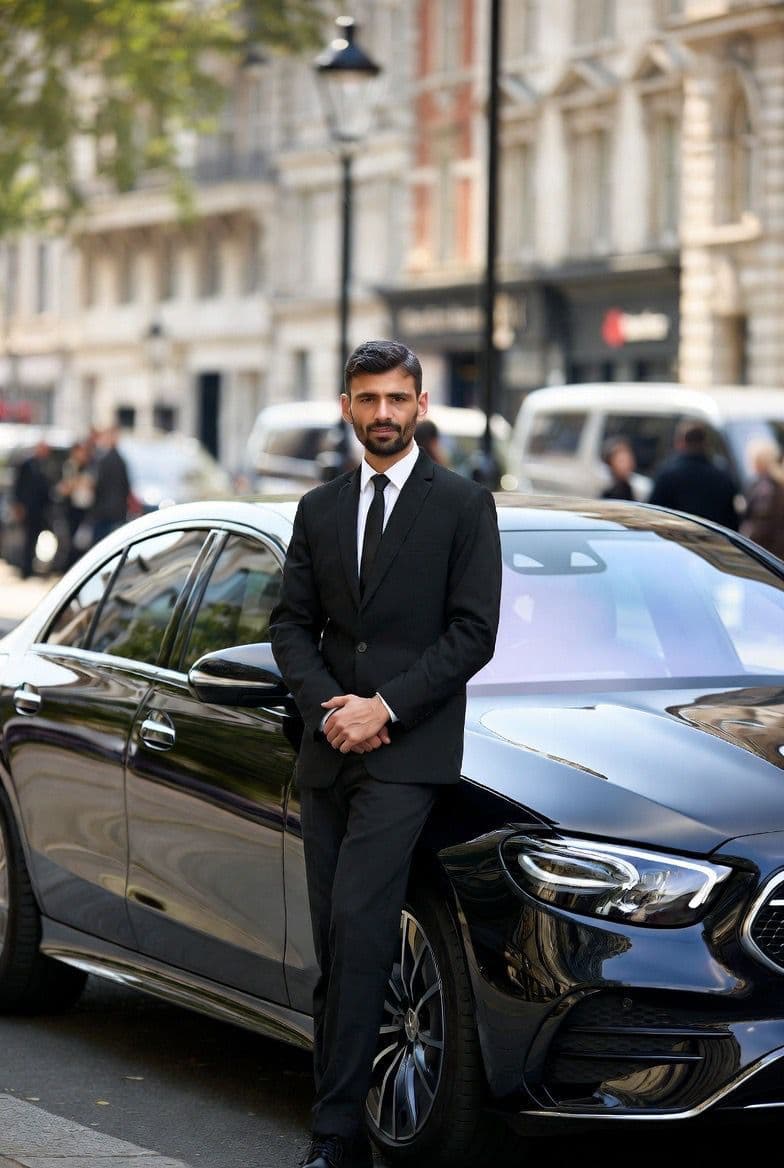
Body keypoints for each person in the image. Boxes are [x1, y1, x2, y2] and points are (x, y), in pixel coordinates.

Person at [269, 340, 501, 1168]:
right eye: (367, 399)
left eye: (396, 399)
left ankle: (336, 1137)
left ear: (422, 404)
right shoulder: (319, 508)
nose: (382, 414)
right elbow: (290, 623)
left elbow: (473, 633)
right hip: (329, 752)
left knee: (364, 931)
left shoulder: (463, 507)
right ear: (346, 407)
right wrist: (326, 703)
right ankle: (349, 1115)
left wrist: (385, 707)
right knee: (338, 944)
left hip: (408, 754)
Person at [648, 419, 740, 529]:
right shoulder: (722, 476)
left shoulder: (667, 475)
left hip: (676, 541)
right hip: (713, 542)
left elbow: (653, 514)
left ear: (680, 442)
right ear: (705, 443)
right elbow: (732, 521)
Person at [12, 439, 52, 579]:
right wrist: (18, 505)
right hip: (28, 508)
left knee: (35, 539)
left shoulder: (45, 465)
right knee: (27, 539)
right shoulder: (27, 464)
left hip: (40, 510)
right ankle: (25, 568)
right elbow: (18, 486)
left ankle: (31, 566)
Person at [740, 437, 784, 559]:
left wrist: (746, 543)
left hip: (766, 554)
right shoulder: (776, 481)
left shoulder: (765, 487)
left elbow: (761, 524)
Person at [89, 425, 131, 545]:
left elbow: (98, 486)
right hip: (117, 512)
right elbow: (126, 487)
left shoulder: (103, 460)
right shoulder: (121, 461)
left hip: (104, 513)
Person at [57, 440, 96, 567]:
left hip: (85, 508)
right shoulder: (70, 466)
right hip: (72, 509)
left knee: (82, 541)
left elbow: (90, 484)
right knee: (72, 541)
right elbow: (66, 487)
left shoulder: (88, 466)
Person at [600, 436, 636, 500]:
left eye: (629, 460)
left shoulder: (630, 490)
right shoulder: (608, 491)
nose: (627, 465)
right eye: (621, 461)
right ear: (611, 464)